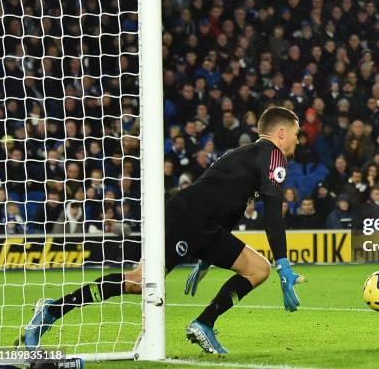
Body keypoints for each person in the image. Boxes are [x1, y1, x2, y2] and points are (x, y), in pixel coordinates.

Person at [19, 107, 303, 354]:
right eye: (296, 134)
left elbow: (229, 201)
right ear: (280, 133)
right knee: (139, 282)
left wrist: (206, 257)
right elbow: (273, 214)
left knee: (257, 269)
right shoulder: (274, 157)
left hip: (206, 225)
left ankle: (205, 323)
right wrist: (284, 263)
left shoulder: (244, 155)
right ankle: (51, 310)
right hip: (186, 219)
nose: (297, 141)